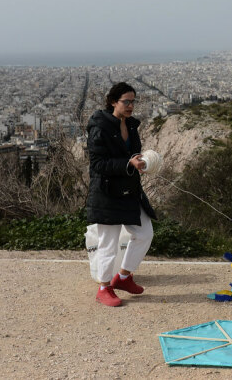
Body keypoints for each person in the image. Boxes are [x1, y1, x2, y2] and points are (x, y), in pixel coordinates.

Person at [86, 82, 157, 306]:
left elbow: (133, 153)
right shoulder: (100, 126)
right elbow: (97, 163)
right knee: (108, 243)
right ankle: (104, 288)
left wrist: (142, 162)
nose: (130, 106)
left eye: (133, 101)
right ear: (113, 102)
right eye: (126, 101)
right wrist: (127, 163)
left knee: (145, 232)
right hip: (107, 192)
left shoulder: (132, 125)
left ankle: (124, 277)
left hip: (129, 190)